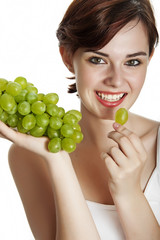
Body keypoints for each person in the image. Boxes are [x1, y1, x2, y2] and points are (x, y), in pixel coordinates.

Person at [0, 0, 160, 239]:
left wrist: (129, 193)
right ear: (67, 56)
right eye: (98, 59)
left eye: (133, 62)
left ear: (149, 58)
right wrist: (59, 162)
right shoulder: (29, 157)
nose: (116, 80)